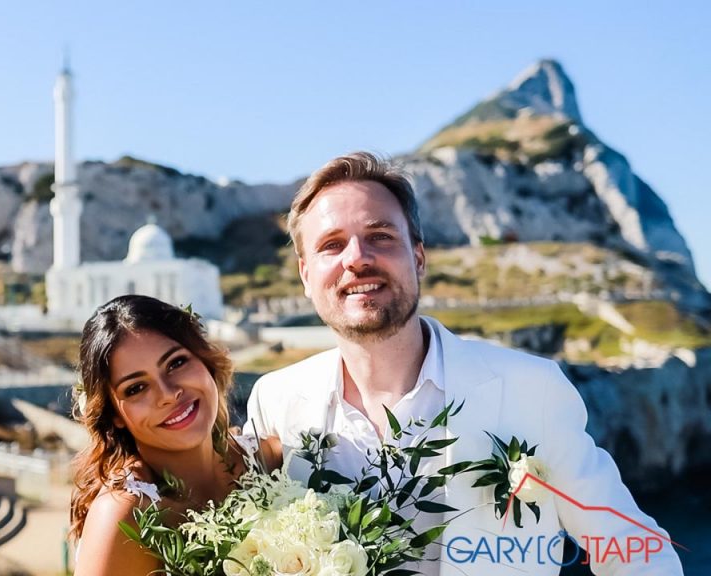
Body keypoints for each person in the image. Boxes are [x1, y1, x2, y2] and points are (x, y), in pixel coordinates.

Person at [245, 151, 683, 575]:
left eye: (380, 236)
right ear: (306, 275)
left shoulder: (533, 389)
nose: (356, 258)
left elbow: (634, 550)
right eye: (332, 244)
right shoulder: (275, 401)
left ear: (418, 258)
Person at [70, 295, 280, 575]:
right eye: (136, 388)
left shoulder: (272, 460)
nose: (168, 394)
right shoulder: (124, 518)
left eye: (176, 363)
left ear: (205, 360)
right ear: (115, 416)